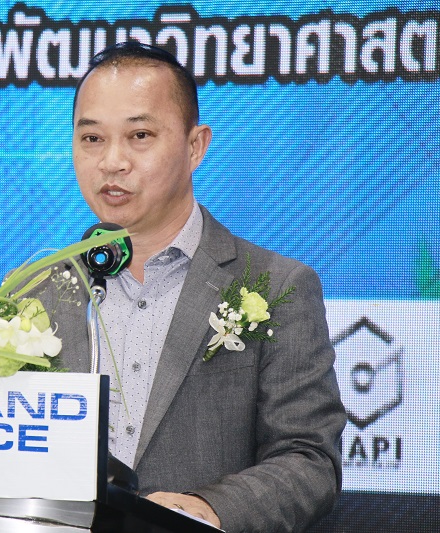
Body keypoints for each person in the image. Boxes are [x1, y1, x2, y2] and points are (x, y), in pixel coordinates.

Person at [32, 42, 346, 533]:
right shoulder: (37, 289)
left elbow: (309, 459)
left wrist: (206, 509)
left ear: (195, 146)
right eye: (92, 138)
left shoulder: (276, 287)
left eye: (139, 135)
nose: (111, 162)